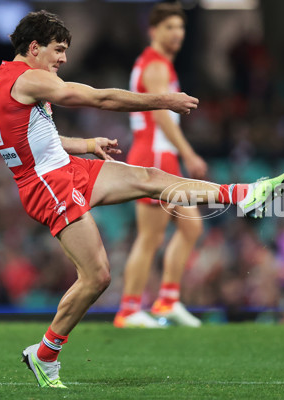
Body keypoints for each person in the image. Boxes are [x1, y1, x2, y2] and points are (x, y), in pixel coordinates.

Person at [0, 10, 284, 388]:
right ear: (34, 48)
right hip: (47, 184)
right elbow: (100, 98)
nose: (63, 59)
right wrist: (164, 100)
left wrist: (85, 144)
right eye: (59, 50)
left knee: (149, 177)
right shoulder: (31, 79)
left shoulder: (2, 81)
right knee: (97, 276)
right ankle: (45, 354)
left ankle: (242, 195)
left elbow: (29, 139)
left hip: (62, 170)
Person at [113, 3, 206, 329]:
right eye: (169, 27)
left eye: (180, 27)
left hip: (160, 154)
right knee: (150, 237)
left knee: (191, 226)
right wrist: (189, 154)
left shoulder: (158, 64)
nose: (177, 34)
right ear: (153, 31)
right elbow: (160, 113)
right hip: (153, 155)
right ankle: (128, 309)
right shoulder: (155, 65)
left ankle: (167, 300)